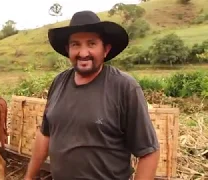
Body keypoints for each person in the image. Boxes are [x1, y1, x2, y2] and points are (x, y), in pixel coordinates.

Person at [24, 10, 160, 180]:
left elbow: (148, 152)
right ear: (68, 50)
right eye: (75, 44)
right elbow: (45, 134)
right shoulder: (59, 82)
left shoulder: (124, 87)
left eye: (91, 43)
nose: (83, 53)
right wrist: (28, 177)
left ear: (106, 49)